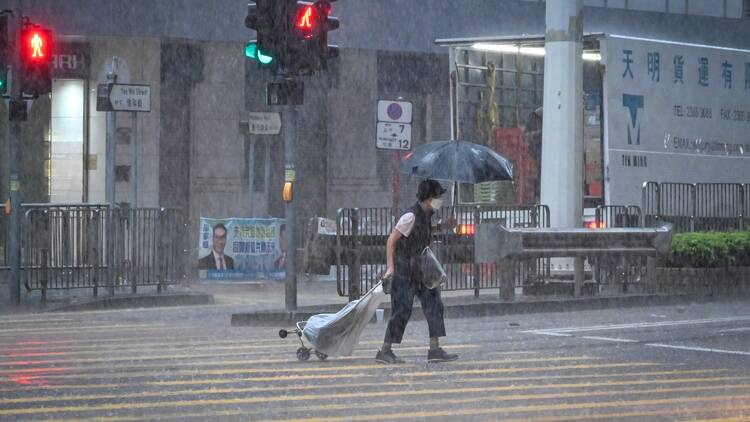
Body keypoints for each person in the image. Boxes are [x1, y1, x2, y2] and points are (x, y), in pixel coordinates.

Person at [376, 179, 458, 364]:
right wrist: (391, 268)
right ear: (429, 198)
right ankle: (385, 350)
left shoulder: (427, 215)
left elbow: (423, 232)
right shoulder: (410, 216)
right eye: (438, 197)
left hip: (421, 271)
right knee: (402, 310)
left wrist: (444, 225)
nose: (440, 201)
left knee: (434, 305)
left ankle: (434, 349)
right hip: (404, 271)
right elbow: (391, 240)